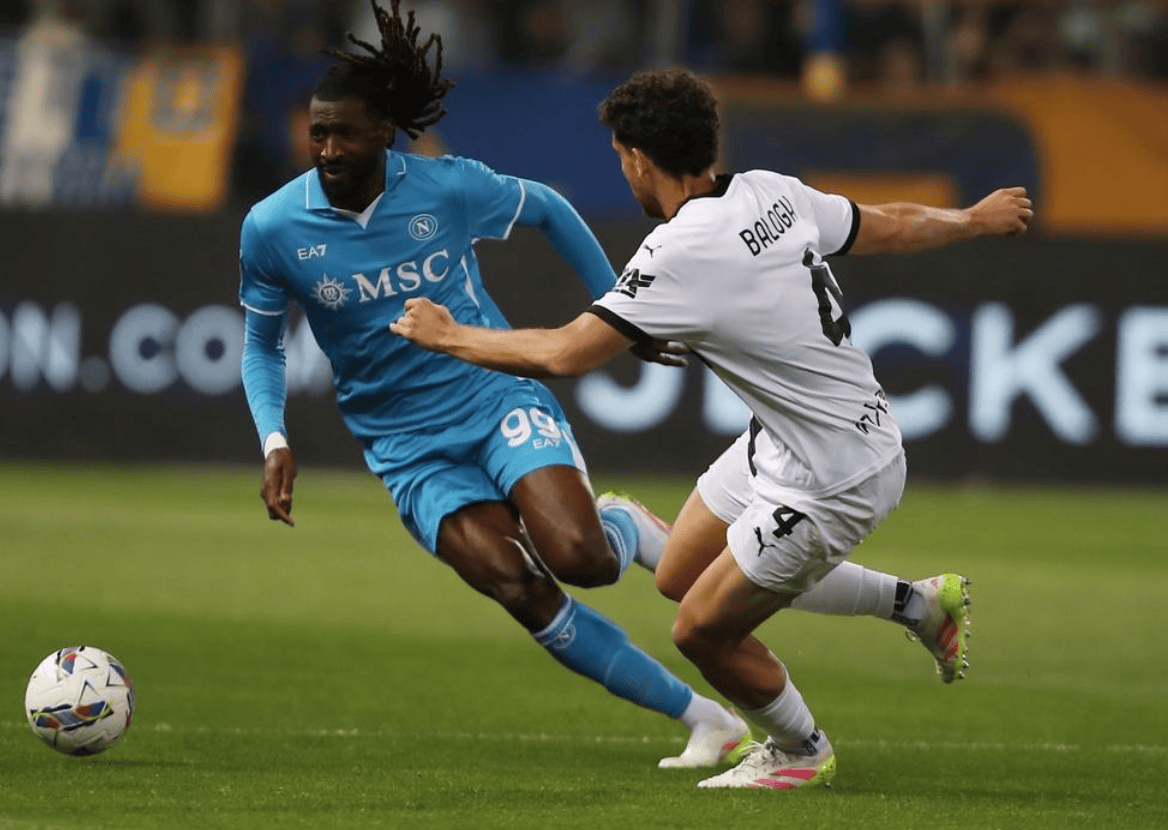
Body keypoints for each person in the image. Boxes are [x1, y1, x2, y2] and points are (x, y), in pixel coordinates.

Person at [391, 66, 1033, 789]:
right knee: (678, 573)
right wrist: (972, 219)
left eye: (620, 157)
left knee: (700, 630)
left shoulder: (682, 249)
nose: (623, 171)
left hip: (836, 477)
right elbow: (886, 224)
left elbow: (566, 353)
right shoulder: (770, 191)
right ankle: (917, 604)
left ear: (639, 159)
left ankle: (800, 750)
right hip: (789, 439)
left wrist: (449, 336)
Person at [237, 2, 750, 770]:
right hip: (405, 446)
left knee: (583, 560)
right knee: (518, 586)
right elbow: (260, 345)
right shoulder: (272, 227)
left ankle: (619, 523)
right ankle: (706, 720)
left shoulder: (445, 187)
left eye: (345, 133)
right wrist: (274, 438)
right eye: (318, 133)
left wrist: (621, 311)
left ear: (386, 132)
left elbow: (549, 208)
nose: (328, 149)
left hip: (492, 396)